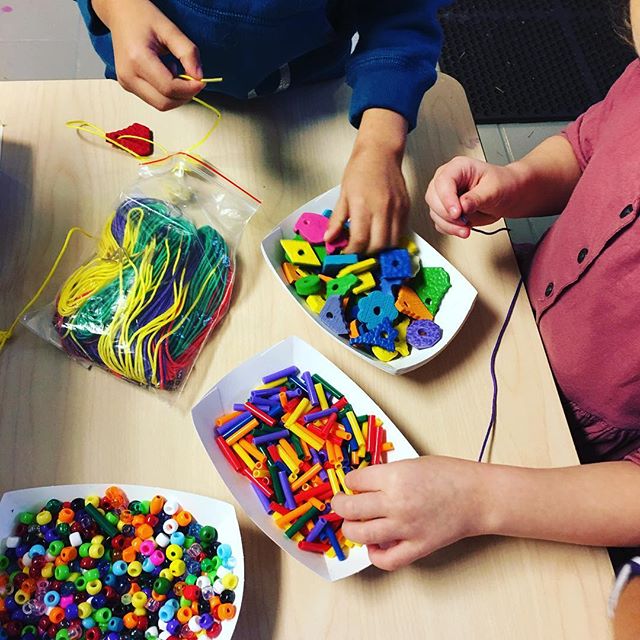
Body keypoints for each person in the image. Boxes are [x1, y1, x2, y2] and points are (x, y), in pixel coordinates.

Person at [332, 0, 640, 575]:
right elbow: (584, 147)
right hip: (512, 306)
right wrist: (514, 182)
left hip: (570, 459)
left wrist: (478, 500)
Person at [77, 0, 451, 254]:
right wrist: (118, 7)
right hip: (151, 81)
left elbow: (402, 15)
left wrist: (381, 145)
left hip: (314, 101)